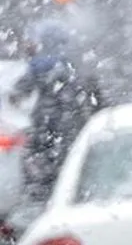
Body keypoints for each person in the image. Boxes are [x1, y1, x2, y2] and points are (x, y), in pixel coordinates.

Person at [9, 20, 105, 202]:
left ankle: (42, 194)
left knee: (39, 160)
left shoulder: (38, 64)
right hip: (71, 122)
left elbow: (20, 91)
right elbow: (84, 90)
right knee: (68, 160)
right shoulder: (69, 63)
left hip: (45, 121)